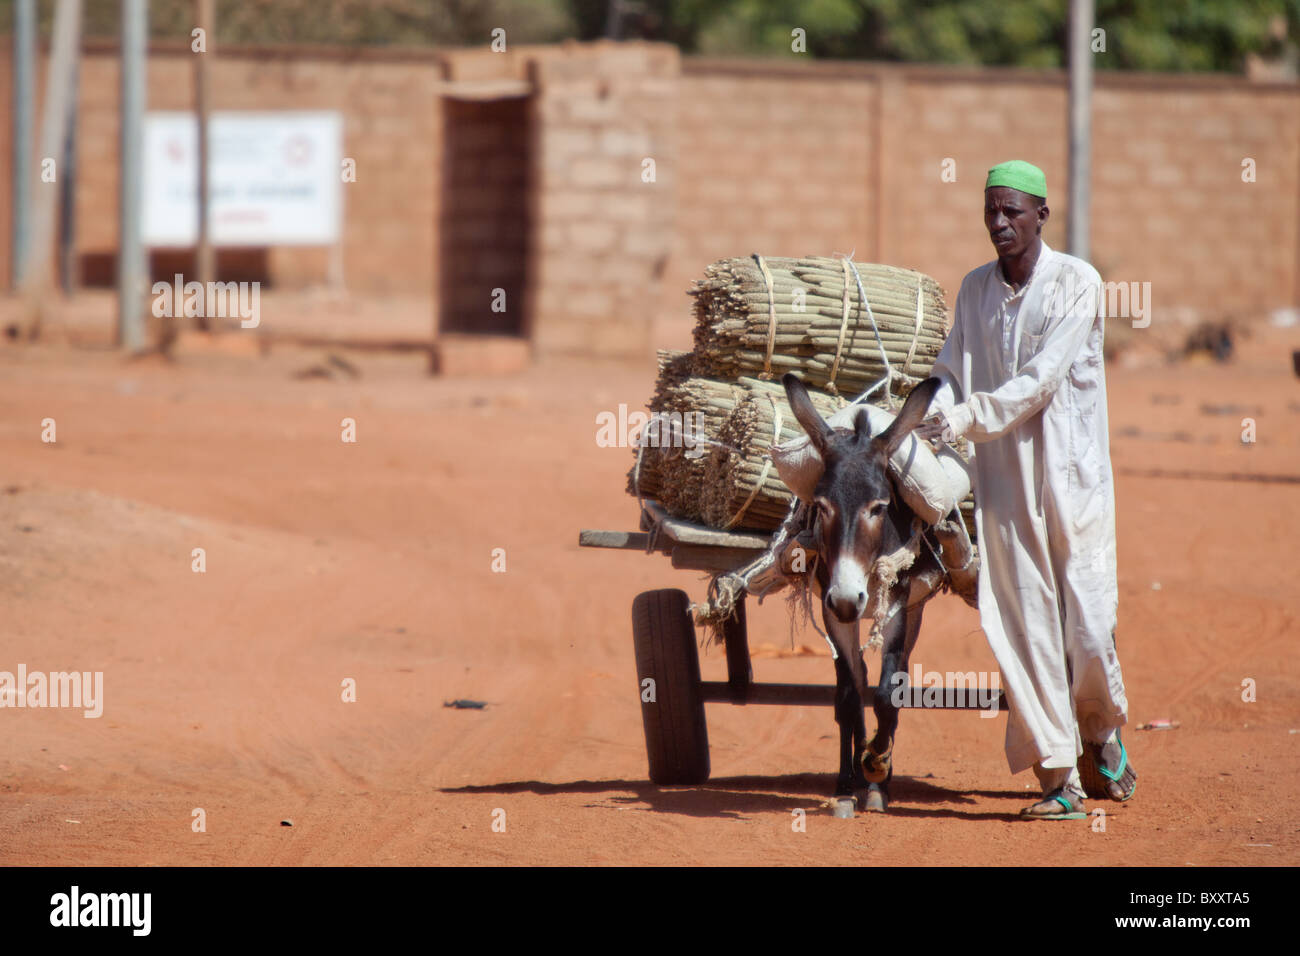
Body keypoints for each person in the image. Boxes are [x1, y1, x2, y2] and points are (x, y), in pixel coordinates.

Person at [913, 160, 1138, 819]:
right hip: (1005, 482)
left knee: (1090, 624)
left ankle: (1098, 728)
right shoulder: (975, 289)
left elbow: (1040, 382)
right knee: (1025, 623)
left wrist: (963, 417)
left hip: (1073, 478)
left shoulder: (1077, 282)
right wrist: (926, 409)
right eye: (990, 211)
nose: (999, 223)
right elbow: (952, 366)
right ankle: (1058, 776)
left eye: (1012, 211)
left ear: (1042, 214)